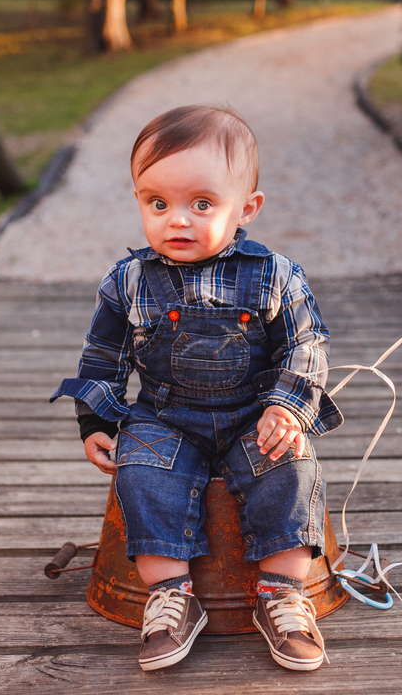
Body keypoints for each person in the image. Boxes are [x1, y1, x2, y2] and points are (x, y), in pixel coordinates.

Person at [51, 104, 343, 672]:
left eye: (201, 204)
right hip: (165, 416)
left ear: (246, 209)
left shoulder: (276, 275)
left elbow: (307, 344)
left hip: (253, 413)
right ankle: (170, 596)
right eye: (157, 203)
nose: (176, 220)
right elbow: (103, 356)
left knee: (291, 469)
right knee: (144, 475)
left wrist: (287, 407)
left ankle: (282, 592)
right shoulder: (128, 280)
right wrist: (96, 423)